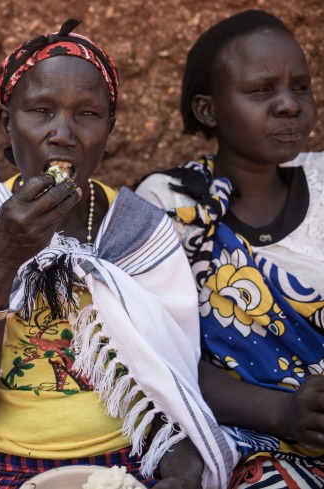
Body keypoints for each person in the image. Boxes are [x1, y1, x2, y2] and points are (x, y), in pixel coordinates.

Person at [0, 19, 238, 489]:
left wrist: (180, 469)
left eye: (88, 114)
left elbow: (170, 384)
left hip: (126, 459)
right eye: (40, 110)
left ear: (109, 129)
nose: (63, 133)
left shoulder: (139, 229)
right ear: (6, 122)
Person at [135, 9, 324, 488]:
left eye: (300, 86)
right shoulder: (168, 204)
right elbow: (157, 358)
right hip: (250, 442)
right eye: (262, 90)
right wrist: (283, 412)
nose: (289, 105)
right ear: (208, 110)